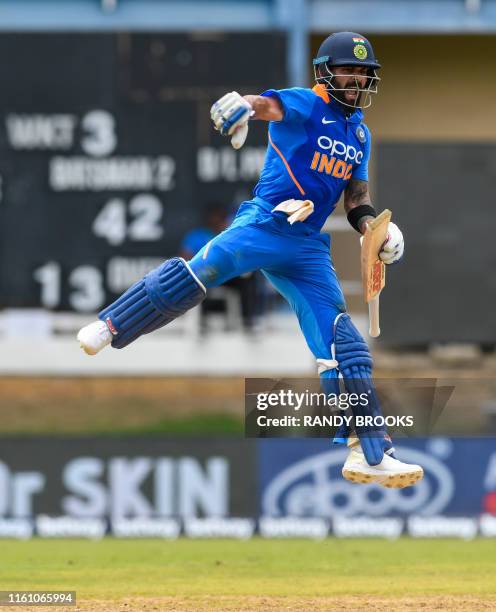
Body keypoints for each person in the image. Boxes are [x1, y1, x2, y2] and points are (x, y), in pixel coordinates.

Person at [77, 32, 423, 488]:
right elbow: (266, 106)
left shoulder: (359, 132)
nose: (357, 79)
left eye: (363, 73)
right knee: (198, 274)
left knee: (346, 348)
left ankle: (370, 454)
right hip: (265, 223)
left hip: (306, 245)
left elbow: (355, 198)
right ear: (326, 73)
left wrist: (376, 229)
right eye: (348, 70)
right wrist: (242, 104)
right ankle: (112, 325)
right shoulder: (307, 103)